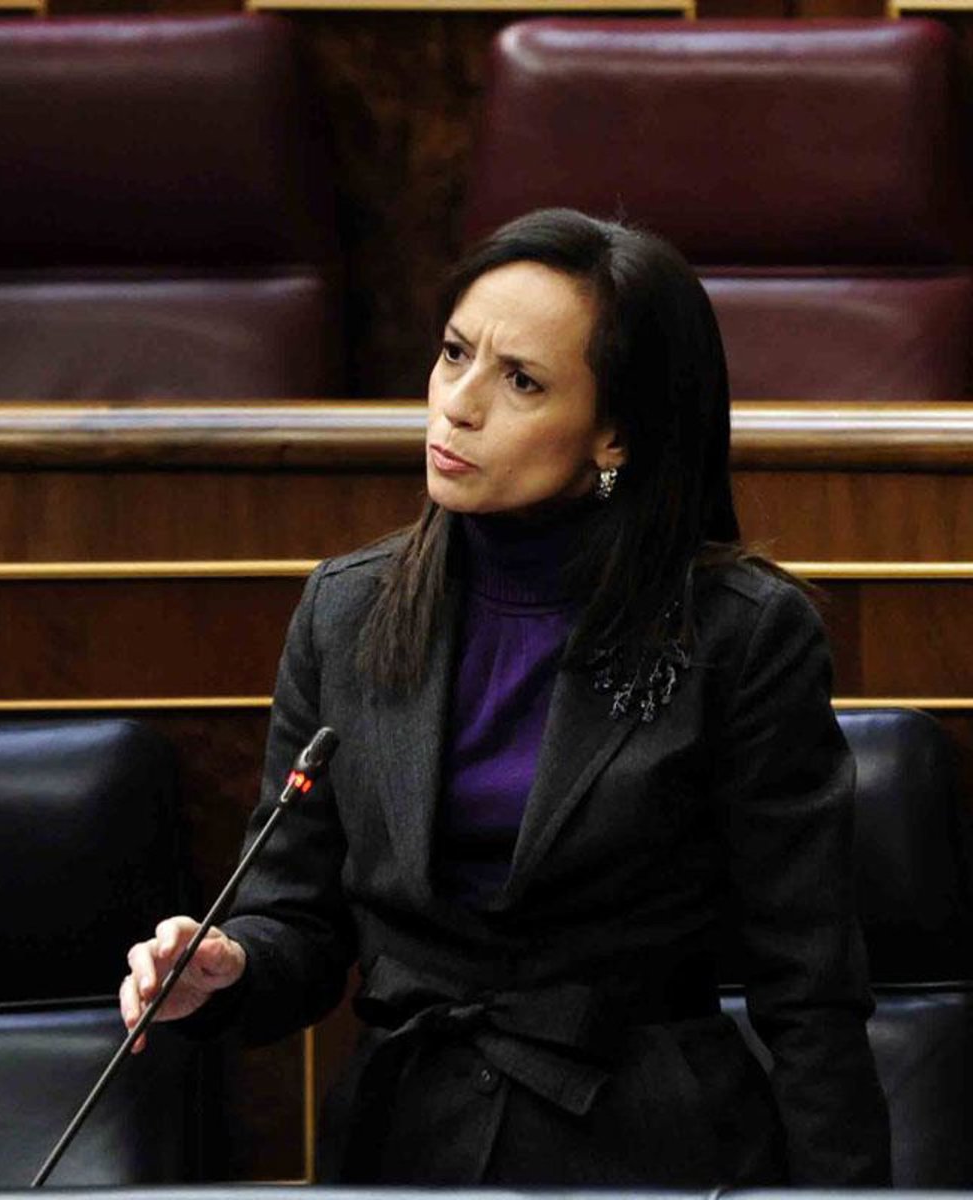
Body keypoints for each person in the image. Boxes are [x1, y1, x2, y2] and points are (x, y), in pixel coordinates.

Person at [119, 208, 891, 1187]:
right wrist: (224, 967)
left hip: (649, 1151)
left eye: (520, 380)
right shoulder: (346, 611)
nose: (459, 405)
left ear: (615, 434)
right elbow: (297, 925)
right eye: (454, 355)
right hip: (407, 1147)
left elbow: (809, 987)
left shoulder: (742, 634)